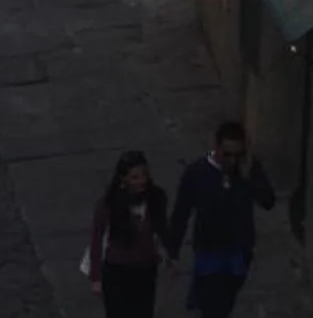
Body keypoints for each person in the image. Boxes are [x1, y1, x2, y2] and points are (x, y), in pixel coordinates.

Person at [167, 123, 275, 318]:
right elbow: (181, 212)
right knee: (213, 308)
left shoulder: (248, 168)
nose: (233, 161)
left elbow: (268, 201)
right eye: (227, 155)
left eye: (238, 155)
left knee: (226, 303)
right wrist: (173, 251)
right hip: (210, 250)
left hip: (239, 250)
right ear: (216, 147)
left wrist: (247, 178)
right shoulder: (197, 172)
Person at [89, 152, 173, 316]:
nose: (142, 181)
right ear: (123, 179)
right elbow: (96, 240)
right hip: (117, 271)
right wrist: (96, 278)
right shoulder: (108, 204)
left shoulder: (156, 198)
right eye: (135, 177)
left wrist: (170, 254)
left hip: (145, 270)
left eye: (144, 176)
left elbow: (162, 228)